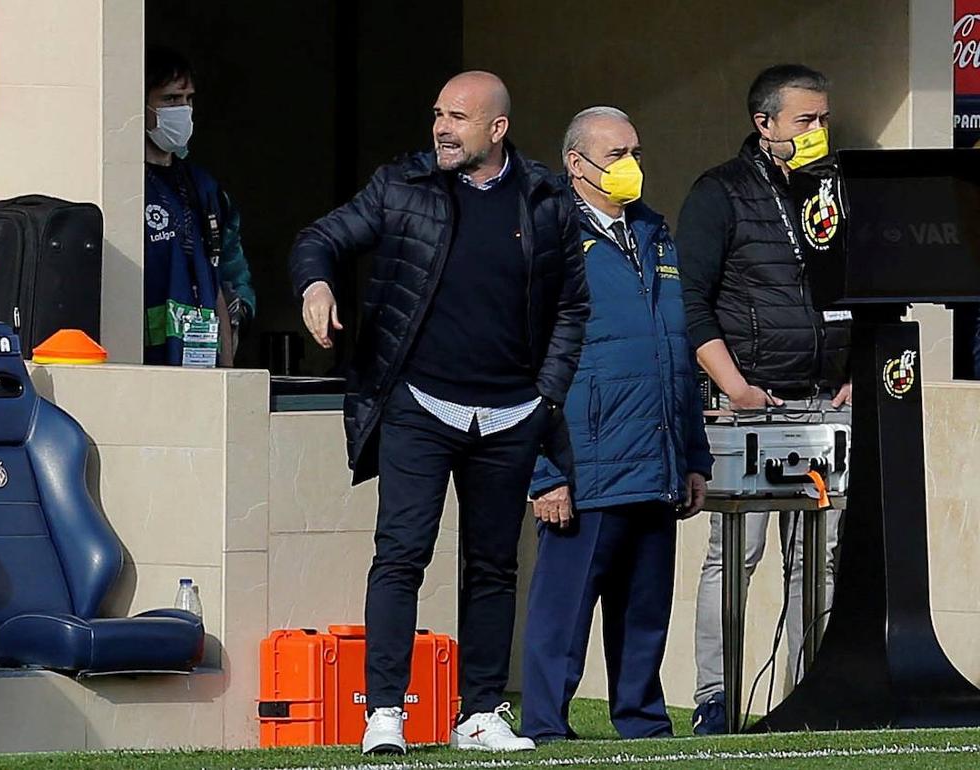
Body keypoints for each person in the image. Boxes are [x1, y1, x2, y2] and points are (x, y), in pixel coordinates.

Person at [289, 70, 589, 755]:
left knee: (492, 567)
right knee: (400, 556)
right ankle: (385, 713)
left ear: (497, 128)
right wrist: (315, 285)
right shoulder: (404, 187)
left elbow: (573, 307)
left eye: (458, 117)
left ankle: (481, 713)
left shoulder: (544, 200)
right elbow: (321, 238)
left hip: (512, 414)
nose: (442, 129)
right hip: (419, 406)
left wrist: (546, 397)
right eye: (438, 115)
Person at [521, 106, 712, 742]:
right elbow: (526, 362)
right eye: (615, 156)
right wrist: (544, 472)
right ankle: (546, 727)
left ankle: (643, 723)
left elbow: (676, 352)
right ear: (576, 166)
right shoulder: (546, 236)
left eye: (635, 152)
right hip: (585, 464)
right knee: (563, 614)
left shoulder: (654, 233)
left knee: (644, 612)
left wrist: (693, 456)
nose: (630, 166)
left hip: (655, 463)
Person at [677, 64, 850, 735]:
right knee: (734, 557)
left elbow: (863, 289)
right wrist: (734, 387)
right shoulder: (719, 193)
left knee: (821, 560)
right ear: (765, 123)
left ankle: (808, 696)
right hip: (752, 408)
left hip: (824, 406)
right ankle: (716, 700)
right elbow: (691, 305)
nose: (817, 131)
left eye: (823, 119)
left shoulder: (833, 194)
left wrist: (852, 372)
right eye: (805, 120)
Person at [143, 45, 256, 367]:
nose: (183, 109)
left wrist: (240, 313)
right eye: (170, 100)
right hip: (141, 368)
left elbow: (226, 271)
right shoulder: (122, 188)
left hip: (203, 364)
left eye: (188, 99)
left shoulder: (203, 188)